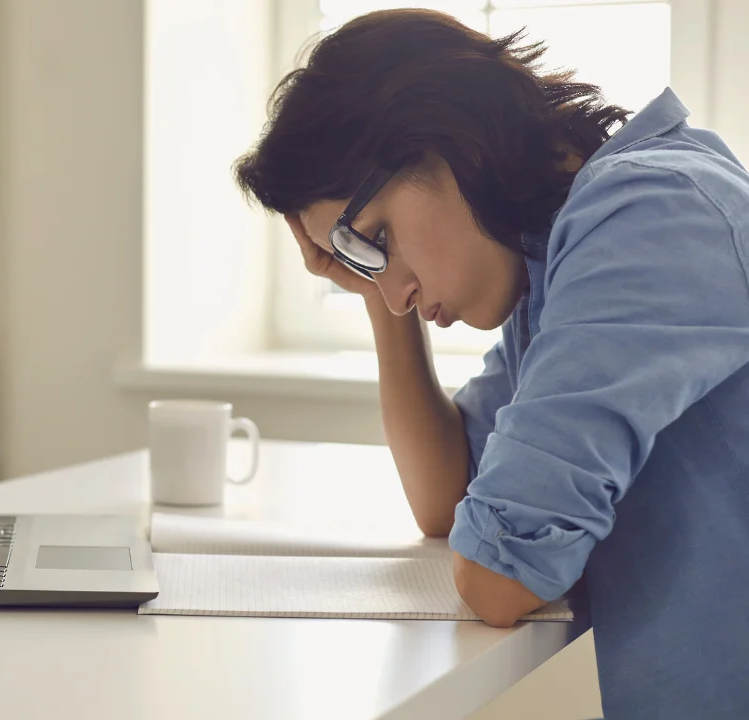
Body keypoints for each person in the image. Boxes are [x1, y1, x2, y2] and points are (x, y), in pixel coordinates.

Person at [233, 8, 749, 719]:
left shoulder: (649, 218)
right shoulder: (556, 258)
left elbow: (500, 577)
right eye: (358, 258)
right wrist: (377, 294)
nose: (397, 288)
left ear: (447, 140)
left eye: (377, 236)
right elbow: (446, 501)